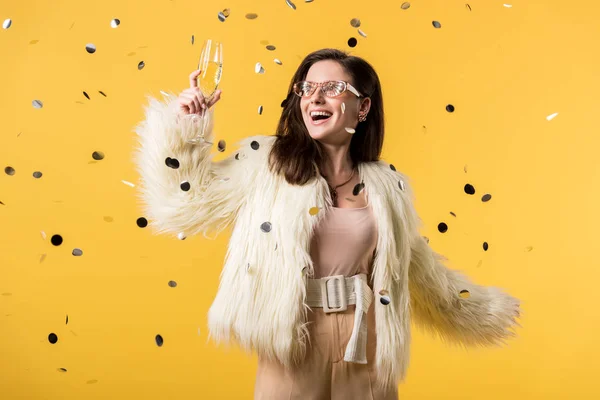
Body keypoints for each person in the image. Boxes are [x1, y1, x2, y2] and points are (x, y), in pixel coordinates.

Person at [133, 48, 521, 400]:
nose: (315, 97)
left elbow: (414, 264)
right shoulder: (266, 164)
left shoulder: (387, 186)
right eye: (307, 87)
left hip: (365, 343)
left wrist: (482, 311)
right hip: (292, 341)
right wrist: (184, 130)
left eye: (332, 87)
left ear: (362, 107)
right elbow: (183, 202)